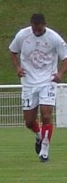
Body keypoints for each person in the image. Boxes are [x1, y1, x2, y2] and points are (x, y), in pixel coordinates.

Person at [9, 13, 67, 162]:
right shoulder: (23, 35)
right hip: (28, 82)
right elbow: (13, 52)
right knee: (29, 121)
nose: (37, 31)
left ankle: (45, 150)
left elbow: (65, 58)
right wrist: (17, 68)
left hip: (47, 80)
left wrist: (60, 73)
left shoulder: (54, 38)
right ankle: (39, 136)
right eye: (34, 28)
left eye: (39, 29)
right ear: (31, 25)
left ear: (44, 25)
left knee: (46, 115)